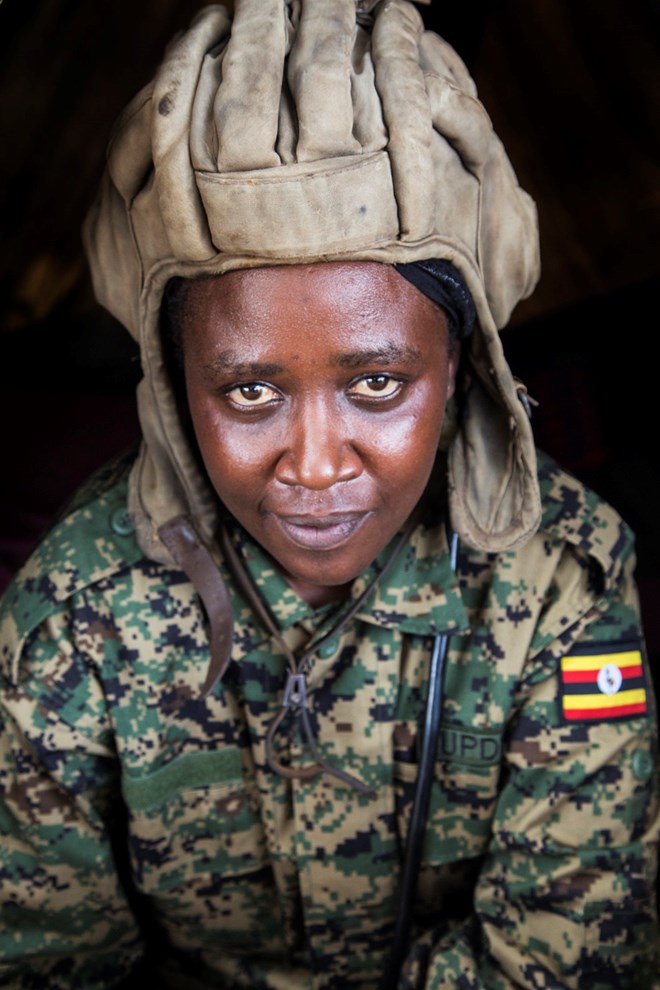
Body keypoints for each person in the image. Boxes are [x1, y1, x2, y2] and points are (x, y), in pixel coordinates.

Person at [0, 1, 658, 987]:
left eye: (378, 385)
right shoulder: (74, 619)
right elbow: (45, 961)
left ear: (465, 368)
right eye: (250, 391)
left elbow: (565, 964)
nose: (313, 467)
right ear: (174, 386)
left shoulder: (563, 597)